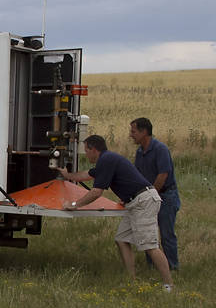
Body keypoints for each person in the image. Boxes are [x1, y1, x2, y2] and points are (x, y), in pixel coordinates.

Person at [56, 135, 174, 291]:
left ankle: (168, 285)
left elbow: (96, 192)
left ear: (94, 149)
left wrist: (75, 205)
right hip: (134, 202)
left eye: (86, 151)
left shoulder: (106, 160)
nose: (86, 154)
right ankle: (131, 281)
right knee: (121, 239)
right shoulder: (106, 160)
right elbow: (87, 175)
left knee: (150, 245)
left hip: (144, 202)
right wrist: (67, 176)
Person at [129, 118, 180, 270]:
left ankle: (172, 267)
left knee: (166, 234)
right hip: (149, 197)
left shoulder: (160, 149)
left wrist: (151, 195)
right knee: (148, 234)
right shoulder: (140, 152)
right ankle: (152, 267)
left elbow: (163, 175)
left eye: (133, 131)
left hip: (166, 196)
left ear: (144, 132)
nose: (131, 135)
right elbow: (137, 176)